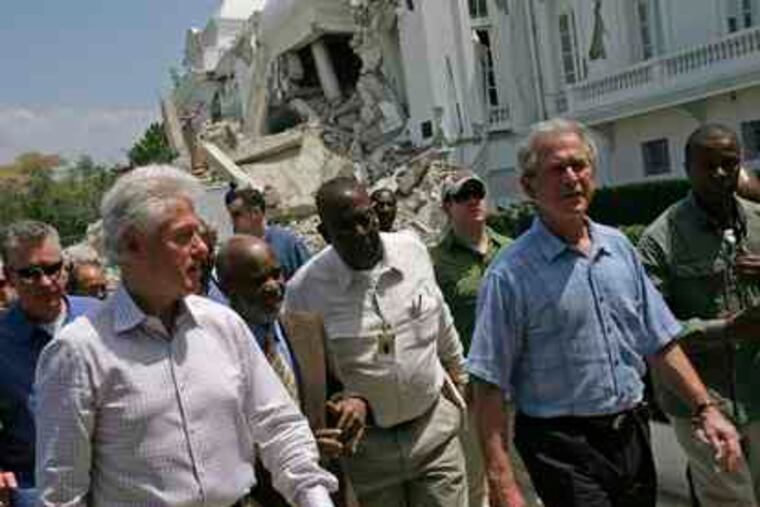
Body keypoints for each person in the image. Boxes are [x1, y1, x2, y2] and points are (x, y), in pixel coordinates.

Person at [467, 118, 742, 507]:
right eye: (557, 169)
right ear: (529, 186)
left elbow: (660, 339)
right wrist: (501, 481)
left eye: (579, 166)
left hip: (630, 433)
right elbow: (489, 382)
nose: (571, 178)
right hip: (560, 445)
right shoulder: (510, 274)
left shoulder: (618, 249)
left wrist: (706, 409)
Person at [35, 165, 338, 507]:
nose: (202, 249)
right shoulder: (78, 353)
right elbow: (62, 494)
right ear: (133, 244)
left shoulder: (223, 326)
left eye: (199, 235)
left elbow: (280, 427)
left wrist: (315, 499)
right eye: (183, 237)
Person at [285, 176, 469, 507]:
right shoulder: (304, 291)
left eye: (364, 219)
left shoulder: (412, 251)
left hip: (433, 433)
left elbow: (441, 318)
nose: (360, 233)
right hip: (367, 454)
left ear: (373, 212)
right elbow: (306, 376)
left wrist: (459, 376)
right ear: (325, 235)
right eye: (344, 228)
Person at [639, 123, 760, 507]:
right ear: (687, 167)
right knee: (730, 500)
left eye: (729, 163)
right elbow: (652, 331)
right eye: (709, 165)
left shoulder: (759, 220)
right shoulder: (660, 239)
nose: (721, 173)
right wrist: (724, 329)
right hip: (701, 400)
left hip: (757, 389)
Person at [217, 235, 363, 507]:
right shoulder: (217, 353)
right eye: (258, 281)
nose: (273, 286)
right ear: (227, 289)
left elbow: (337, 391)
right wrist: (298, 455)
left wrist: (351, 407)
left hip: (330, 493)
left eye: (276, 274)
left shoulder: (309, 327)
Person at [0, 220, 100, 507]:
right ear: (9, 276)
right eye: (30, 274)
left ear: (65, 267)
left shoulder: (100, 319)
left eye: (52, 269)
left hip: (114, 486)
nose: (45, 281)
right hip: (38, 492)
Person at [430, 169, 510, 507]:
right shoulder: (433, 262)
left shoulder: (512, 251)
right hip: (470, 392)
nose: (474, 200)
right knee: (477, 483)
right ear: (447, 206)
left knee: (523, 476)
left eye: (478, 192)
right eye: (463, 196)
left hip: (518, 385)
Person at [225, 184, 310, 281]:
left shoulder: (287, 243)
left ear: (256, 213)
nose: (232, 221)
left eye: (237, 215)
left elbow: (308, 279)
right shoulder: (234, 251)